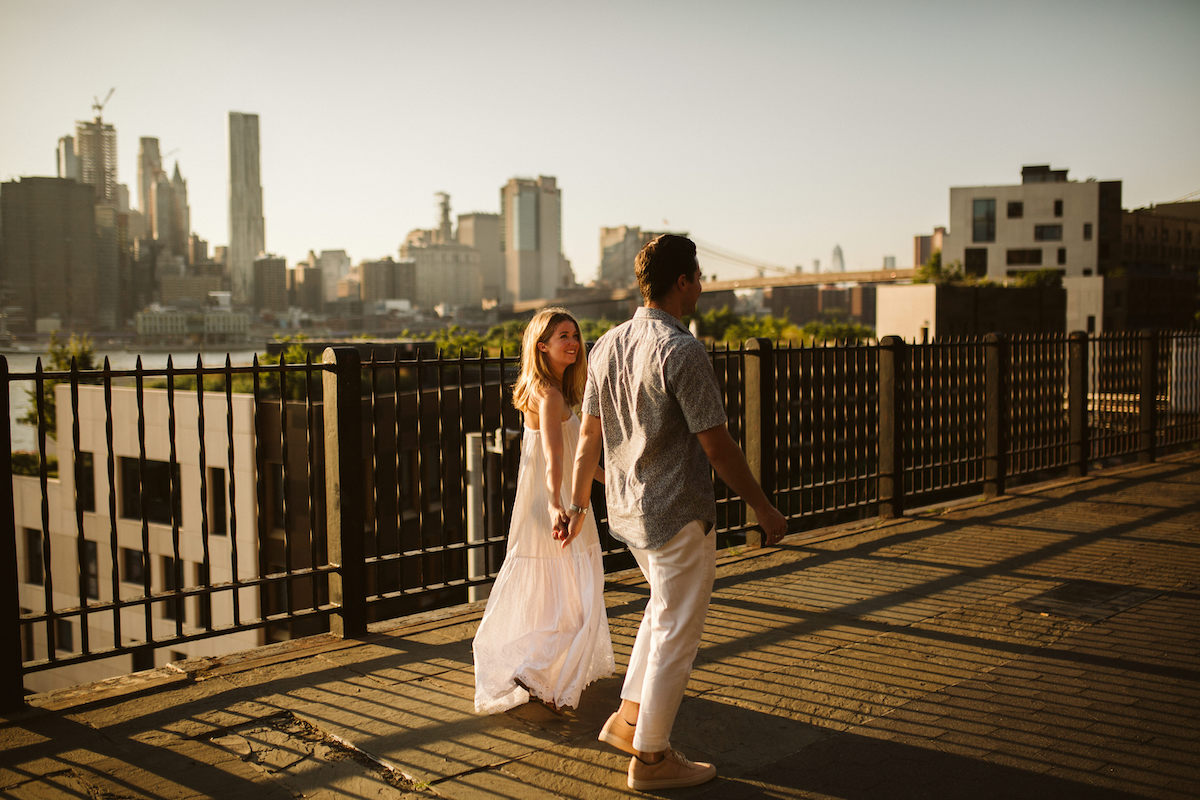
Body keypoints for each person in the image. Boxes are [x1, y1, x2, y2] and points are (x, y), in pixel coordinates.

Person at [562, 234, 787, 792]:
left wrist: (575, 502)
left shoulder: (608, 344)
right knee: (678, 631)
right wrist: (761, 506)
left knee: (662, 614)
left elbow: (588, 436)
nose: (704, 286)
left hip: (629, 512)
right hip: (678, 513)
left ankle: (628, 721)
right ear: (681, 282)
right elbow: (716, 444)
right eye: (698, 277)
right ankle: (653, 759)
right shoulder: (681, 348)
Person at [472, 307, 614, 714]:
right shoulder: (549, 395)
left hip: (553, 497)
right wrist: (558, 507)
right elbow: (554, 459)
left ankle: (541, 673)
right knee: (574, 592)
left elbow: (575, 457)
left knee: (561, 591)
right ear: (542, 345)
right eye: (563, 336)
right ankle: (539, 672)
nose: (574, 342)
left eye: (575, 334)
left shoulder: (549, 389)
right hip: (555, 501)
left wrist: (612, 482)